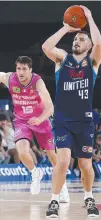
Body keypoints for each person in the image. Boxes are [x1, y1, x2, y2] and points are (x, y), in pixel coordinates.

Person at [42, 5, 101, 217]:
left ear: (88, 45)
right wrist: (66, 28)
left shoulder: (92, 62)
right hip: (62, 120)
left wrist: (90, 18)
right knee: (63, 160)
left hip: (84, 121)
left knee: (86, 165)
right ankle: (54, 201)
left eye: (81, 39)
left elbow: (98, 42)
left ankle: (89, 197)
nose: (77, 41)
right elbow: (46, 46)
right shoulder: (62, 58)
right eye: (76, 39)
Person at [0, 56, 70, 202]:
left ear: (30, 70)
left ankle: (62, 187)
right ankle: (35, 172)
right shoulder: (9, 78)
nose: (21, 72)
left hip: (41, 120)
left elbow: (50, 107)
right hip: (21, 121)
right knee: (22, 152)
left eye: (24, 69)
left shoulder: (37, 82)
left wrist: (40, 119)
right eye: (18, 68)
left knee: (52, 156)